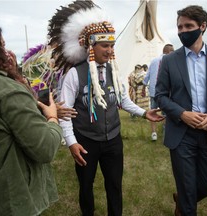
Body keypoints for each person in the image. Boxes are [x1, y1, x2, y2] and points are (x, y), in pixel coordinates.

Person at [47, 2, 164, 216]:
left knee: (115, 185)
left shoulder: (115, 71)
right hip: (86, 141)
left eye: (112, 46)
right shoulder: (75, 74)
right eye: (105, 46)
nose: (110, 51)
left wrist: (144, 112)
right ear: (91, 47)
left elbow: (123, 100)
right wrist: (72, 143)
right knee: (85, 186)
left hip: (113, 140)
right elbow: (66, 113)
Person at [155, 5, 207, 215]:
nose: (182, 31)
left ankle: (182, 200)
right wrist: (182, 113)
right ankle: (185, 204)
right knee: (188, 193)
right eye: (179, 27)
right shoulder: (170, 60)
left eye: (188, 26)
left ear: (203, 26)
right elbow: (160, 95)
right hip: (182, 134)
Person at [0, 17, 63, 215]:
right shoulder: (8, 91)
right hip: (6, 200)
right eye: (2, 45)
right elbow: (44, 148)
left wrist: (35, 111)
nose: (6, 52)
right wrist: (52, 118)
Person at [143, 44, 174, 141]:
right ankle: (165, 134)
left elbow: (147, 76)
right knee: (166, 113)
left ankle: (154, 133)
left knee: (152, 111)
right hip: (166, 92)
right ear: (170, 52)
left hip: (154, 92)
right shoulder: (171, 60)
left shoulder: (153, 61)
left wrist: (144, 86)